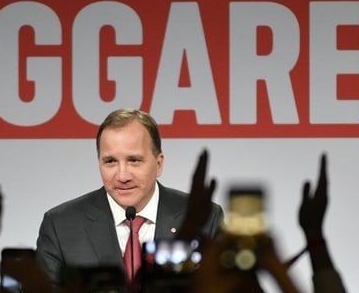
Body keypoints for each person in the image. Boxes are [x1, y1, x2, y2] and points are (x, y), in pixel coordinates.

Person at [35, 108, 222, 284]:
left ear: (158, 164)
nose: (122, 176)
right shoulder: (60, 226)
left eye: (134, 160)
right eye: (110, 161)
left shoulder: (204, 218)